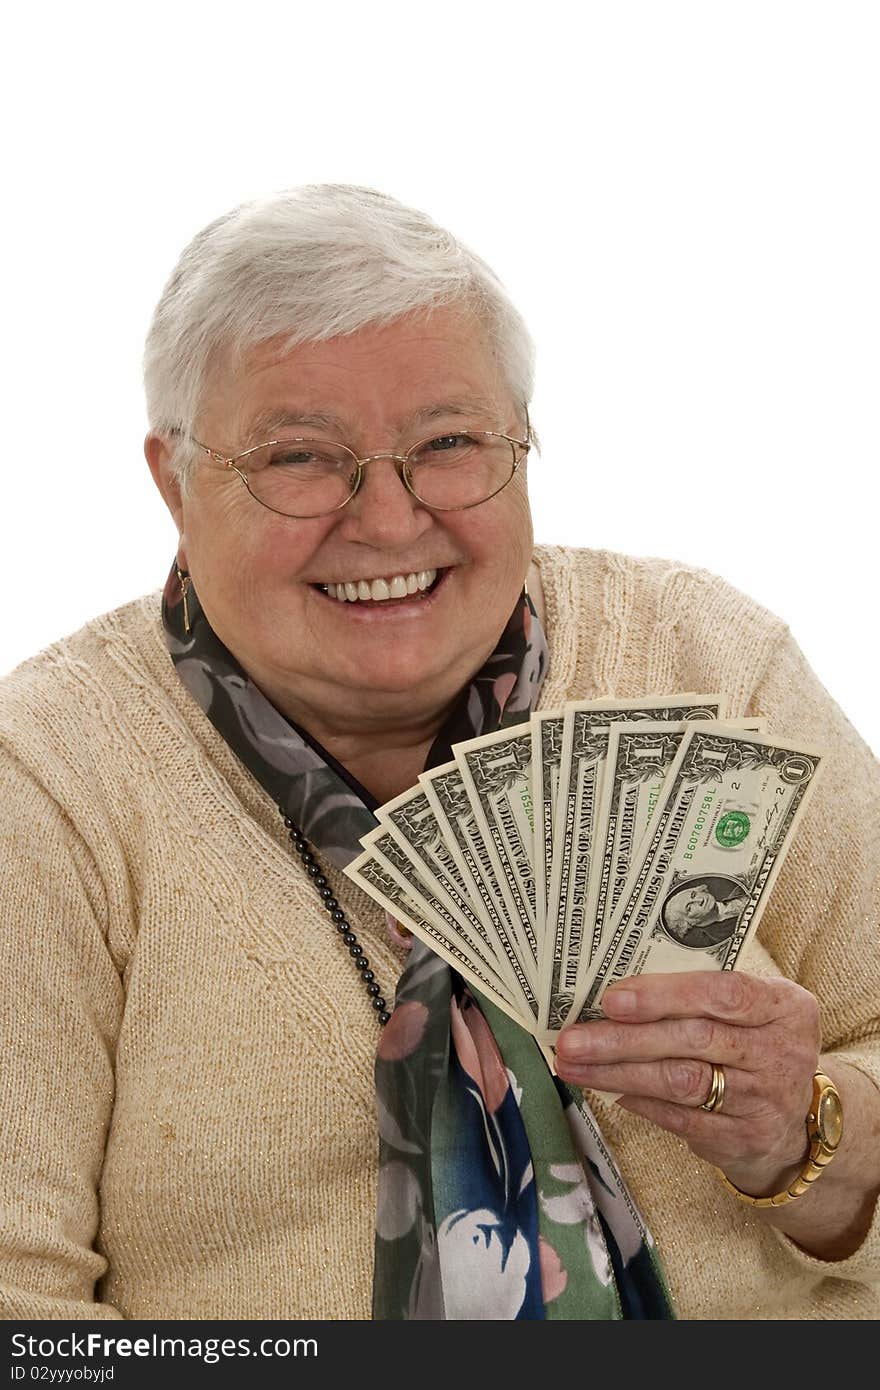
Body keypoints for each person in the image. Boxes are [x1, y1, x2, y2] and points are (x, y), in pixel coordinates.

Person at [1, 184, 878, 1322]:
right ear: (174, 482)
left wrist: (810, 1136)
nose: (385, 520)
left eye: (449, 443)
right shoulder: (50, 785)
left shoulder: (708, 661)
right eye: (302, 458)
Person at [661, 879, 750, 948]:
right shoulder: (717, 940)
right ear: (688, 923)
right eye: (690, 908)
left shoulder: (736, 888)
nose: (700, 900)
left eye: (694, 895)